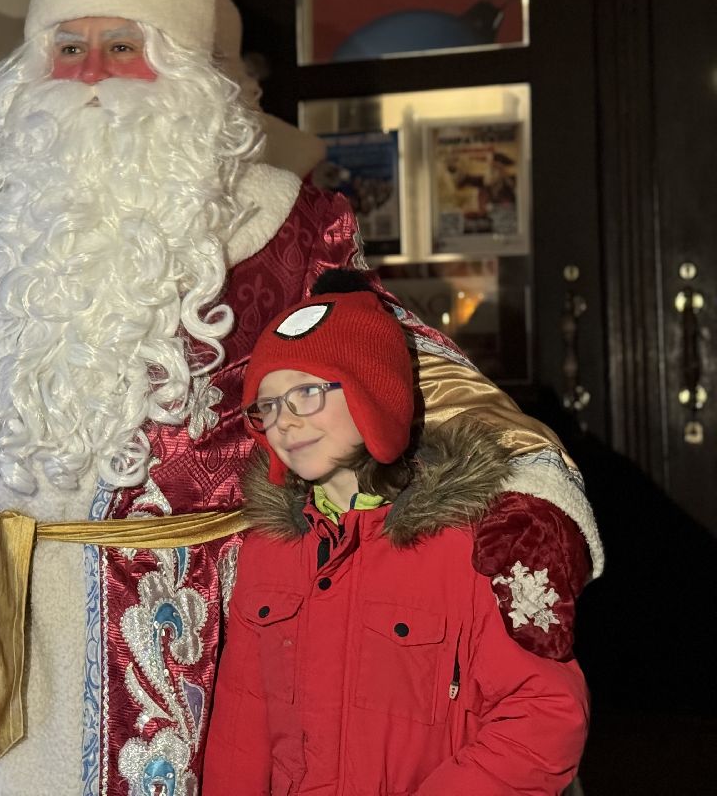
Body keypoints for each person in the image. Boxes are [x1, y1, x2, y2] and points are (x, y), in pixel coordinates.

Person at [0, 0, 602, 796]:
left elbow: (412, 369)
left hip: (206, 640)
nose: (91, 73)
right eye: (68, 46)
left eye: (123, 46)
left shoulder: (279, 227)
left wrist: (531, 497)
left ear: (182, 66)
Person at [203, 271, 589, 795]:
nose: (284, 422)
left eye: (307, 393)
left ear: (372, 392)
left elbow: (544, 715)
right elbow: (240, 724)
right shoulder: (269, 550)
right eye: (266, 405)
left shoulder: (467, 544)